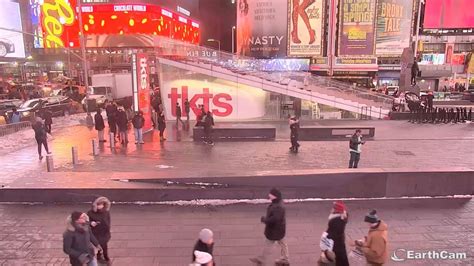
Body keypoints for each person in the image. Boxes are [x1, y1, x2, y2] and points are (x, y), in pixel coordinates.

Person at [250, 188, 289, 265]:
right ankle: (284, 259)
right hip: (278, 230)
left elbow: (275, 219)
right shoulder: (277, 204)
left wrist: (265, 220)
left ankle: (262, 259)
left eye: (271, 194)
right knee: (282, 244)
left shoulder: (278, 207)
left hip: (275, 231)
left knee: (270, 244)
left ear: (275, 196)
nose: (269, 195)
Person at [320, 201, 349, 266]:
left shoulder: (337, 221)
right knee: (342, 258)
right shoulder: (339, 217)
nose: (332, 209)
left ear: (337, 210)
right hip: (339, 242)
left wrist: (326, 235)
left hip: (336, 244)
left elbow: (334, 233)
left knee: (339, 259)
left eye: (333, 208)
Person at [87, 197, 112, 265]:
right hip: (95, 233)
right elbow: (86, 222)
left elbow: (108, 221)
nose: (100, 206)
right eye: (98, 205)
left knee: (104, 246)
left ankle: (106, 258)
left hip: (104, 233)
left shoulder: (106, 212)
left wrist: (108, 228)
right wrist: (91, 223)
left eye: (102, 204)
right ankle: (99, 256)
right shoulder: (90, 213)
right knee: (97, 246)